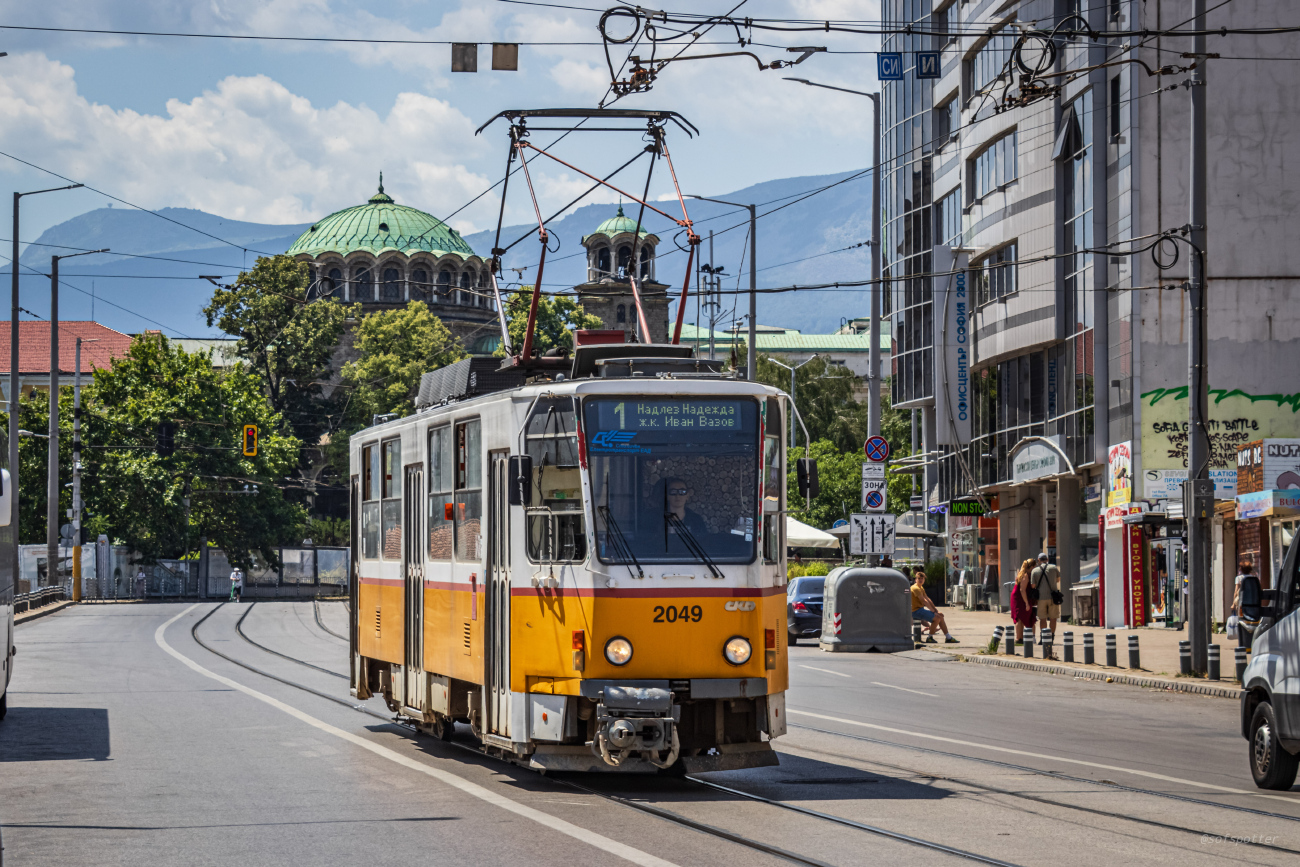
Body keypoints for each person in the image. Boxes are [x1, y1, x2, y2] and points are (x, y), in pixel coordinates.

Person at [910, 567, 958, 644]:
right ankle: (930, 638)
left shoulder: (921, 587)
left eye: (922, 578)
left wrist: (936, 610)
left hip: (920, 610)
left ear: (924, 580)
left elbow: (928, 599)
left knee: (940, 616)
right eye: (919, 578)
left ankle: (948, 637)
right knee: (937, 618)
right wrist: (934, 612)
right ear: (916, 579)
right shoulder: (915, 588)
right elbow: (924, 601)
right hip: (915, 611)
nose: (921, 580)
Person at [1032, 552, 1062, 644]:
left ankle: (1043, 638)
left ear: (1038, 560)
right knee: (1053, 618)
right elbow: (1058, 580)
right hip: (1053, 597)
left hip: (1041, 598)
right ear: (1047, 559)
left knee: (1043, 619)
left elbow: (1033, 585)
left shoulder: (1035, 571)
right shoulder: (1054, 568)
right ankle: (1051, 637)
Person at [1232, 560, 1262, 647]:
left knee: (1241, 620)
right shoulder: (1254, 577)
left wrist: (1233, 604)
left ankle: (1243, 640)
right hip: (1252, 601)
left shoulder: (1239, 578)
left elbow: (1236, 591)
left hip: (1241, 602)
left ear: (1241, 569)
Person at [1010, 559, 1037, 645]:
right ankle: (1019, 638)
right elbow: (1022, 590)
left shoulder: (1021, 573)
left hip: (1018, 596)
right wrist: (1026, 603)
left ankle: (1021, 638)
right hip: (1020, 598)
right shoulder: (1025, 575)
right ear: (1032, 567)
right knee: (1020, 617)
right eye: (1035, 567)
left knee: (1021, 617)